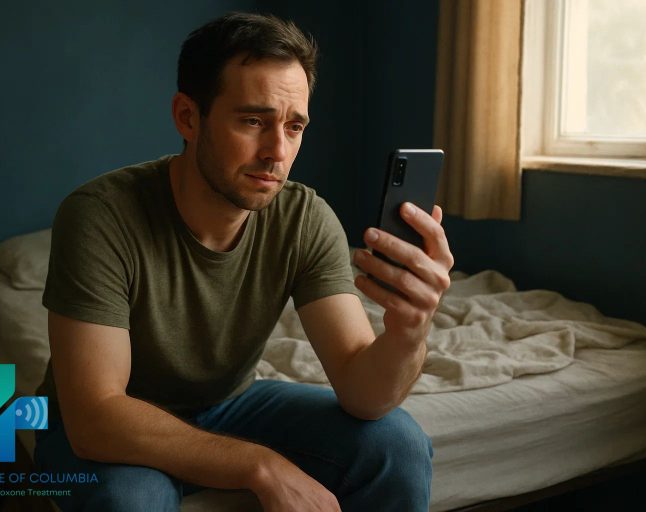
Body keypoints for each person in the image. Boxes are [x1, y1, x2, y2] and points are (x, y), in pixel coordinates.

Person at [34, 11, 454, 512]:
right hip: (103, 421)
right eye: (253, 120)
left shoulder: (303, 217)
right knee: (133, 499)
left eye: (294, 126)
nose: (277, 151)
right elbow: (96, 417)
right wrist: (261, 465)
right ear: (188, 117)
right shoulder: (100, 215)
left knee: (397, 445)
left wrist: (409, 332)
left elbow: (364, 392)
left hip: (227, 404)